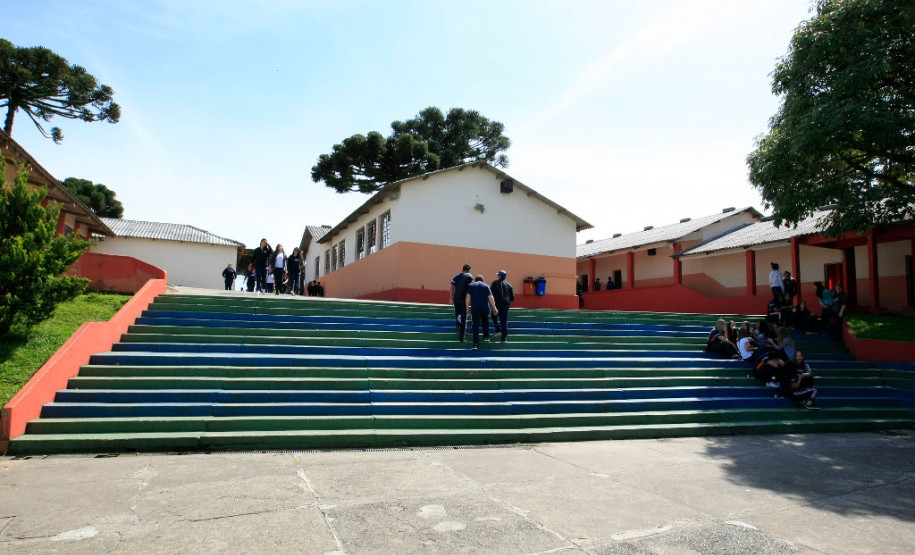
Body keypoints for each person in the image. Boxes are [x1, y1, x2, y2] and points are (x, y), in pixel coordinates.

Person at [465, 275, 498, 349]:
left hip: (475, 308)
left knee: (475, 325)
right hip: (485, 308)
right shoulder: (486, 286)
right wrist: (494, 307)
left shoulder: (471, 285)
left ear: (476, 280)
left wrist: (467, 308)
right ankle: (486, 337)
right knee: (485, 322)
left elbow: (468, 297)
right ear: (482, 280)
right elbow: (490, 297)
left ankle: (475, 343)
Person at [450, 264, 474, 343]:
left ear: (462, 269)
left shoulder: (456, 276)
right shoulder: (469, 277)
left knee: (457, 313)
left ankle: (457, 324)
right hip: (464, 300)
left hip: (456, 298)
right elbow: (470, 291)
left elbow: (452, 286)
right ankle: (462, 337)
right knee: (464, 317)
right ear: (469, 270)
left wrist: (451, 298)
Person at [490, 270, 515, 342]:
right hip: (505, 305)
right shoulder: (509, 285)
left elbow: (491, 294)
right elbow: (512, 297)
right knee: (504, 321)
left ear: (500, 276)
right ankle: (504, 338)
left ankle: (498, 329)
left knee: (493, 316)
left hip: (497, 303)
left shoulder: (495, 283)